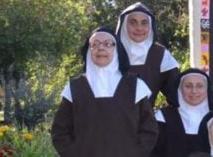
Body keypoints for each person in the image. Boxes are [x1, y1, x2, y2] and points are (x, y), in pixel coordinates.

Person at [51, 27, 157, 157]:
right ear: (89, 50)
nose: (101, 48)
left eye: (107, 44)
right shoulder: (76, 87)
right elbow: (60, 131)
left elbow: (149, 129)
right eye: (95, 44)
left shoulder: (135, 86)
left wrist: (134, 152)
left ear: (116, 49)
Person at [116, 2, 180, 103]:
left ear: (150, 26)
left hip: (146, 117)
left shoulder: (160, 54)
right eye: (133, 22)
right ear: (124, 25)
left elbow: (176, 94)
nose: (139, 28)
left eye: (144, 23)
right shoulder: (111, 52)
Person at [151, 69, 211, 156]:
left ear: (207, 89)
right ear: (180, 89)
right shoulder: (163, 117)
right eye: (188, 86)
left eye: (199, 86)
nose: (194, 91)